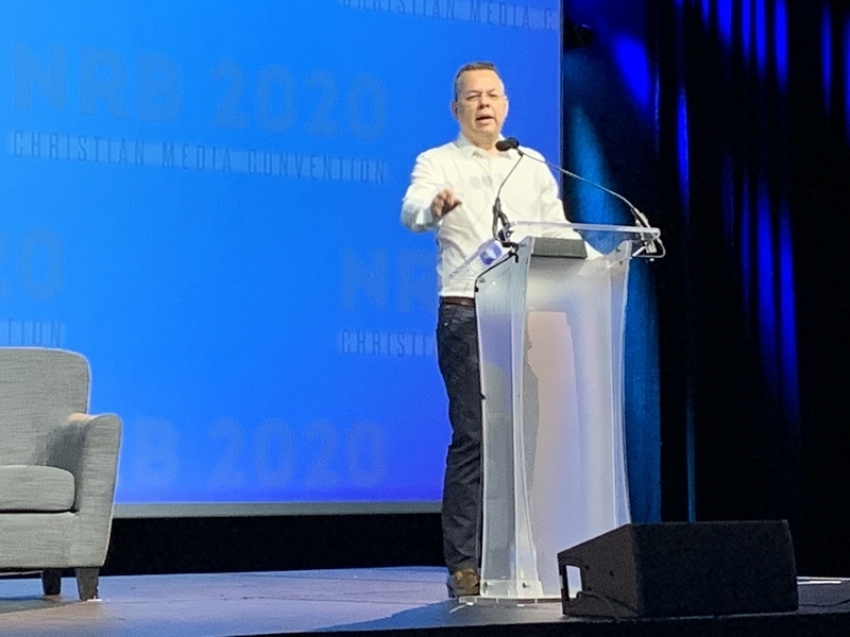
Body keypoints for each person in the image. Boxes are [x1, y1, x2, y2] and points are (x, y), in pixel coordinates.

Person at [400, 61, 586, 598]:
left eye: (492, 95)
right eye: (472, 96)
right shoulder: (437, 162)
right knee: (477, 437)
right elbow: (411, 211)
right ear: (456, 109)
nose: (484, 103)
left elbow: (560, 231)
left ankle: (523, 555)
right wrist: (434, 206)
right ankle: (465, 563)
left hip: (523, 313)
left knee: (526, 439)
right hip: (466, 312)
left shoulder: (528, 164)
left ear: (506, 105)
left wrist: (605, 258)